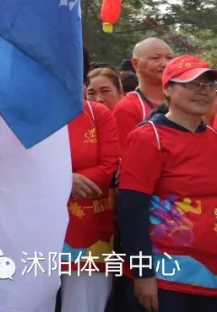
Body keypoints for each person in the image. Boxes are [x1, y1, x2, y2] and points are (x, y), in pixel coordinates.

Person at [119, 56, 217, 310]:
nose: (202, 91)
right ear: (167, 89)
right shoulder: (149, 137)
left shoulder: (213, 138)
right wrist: (143, 274)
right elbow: (131, 210)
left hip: (209, 276)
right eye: (191, 83)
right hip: (165, 277)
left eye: (208, 85)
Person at [60, 76, 120, 312]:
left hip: (88, 230)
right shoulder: (28, 114)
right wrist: (61, 181)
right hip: (36, 228)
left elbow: (109, 165)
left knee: (84, 304)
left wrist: (64, 182)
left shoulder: (97, 115)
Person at [114, 38, 174, 148]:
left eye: (169, 58)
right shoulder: (127, 108)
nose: (165, 63)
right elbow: (128, 155)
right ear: (135, 64)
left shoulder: (183, 101)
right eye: (156, 58)